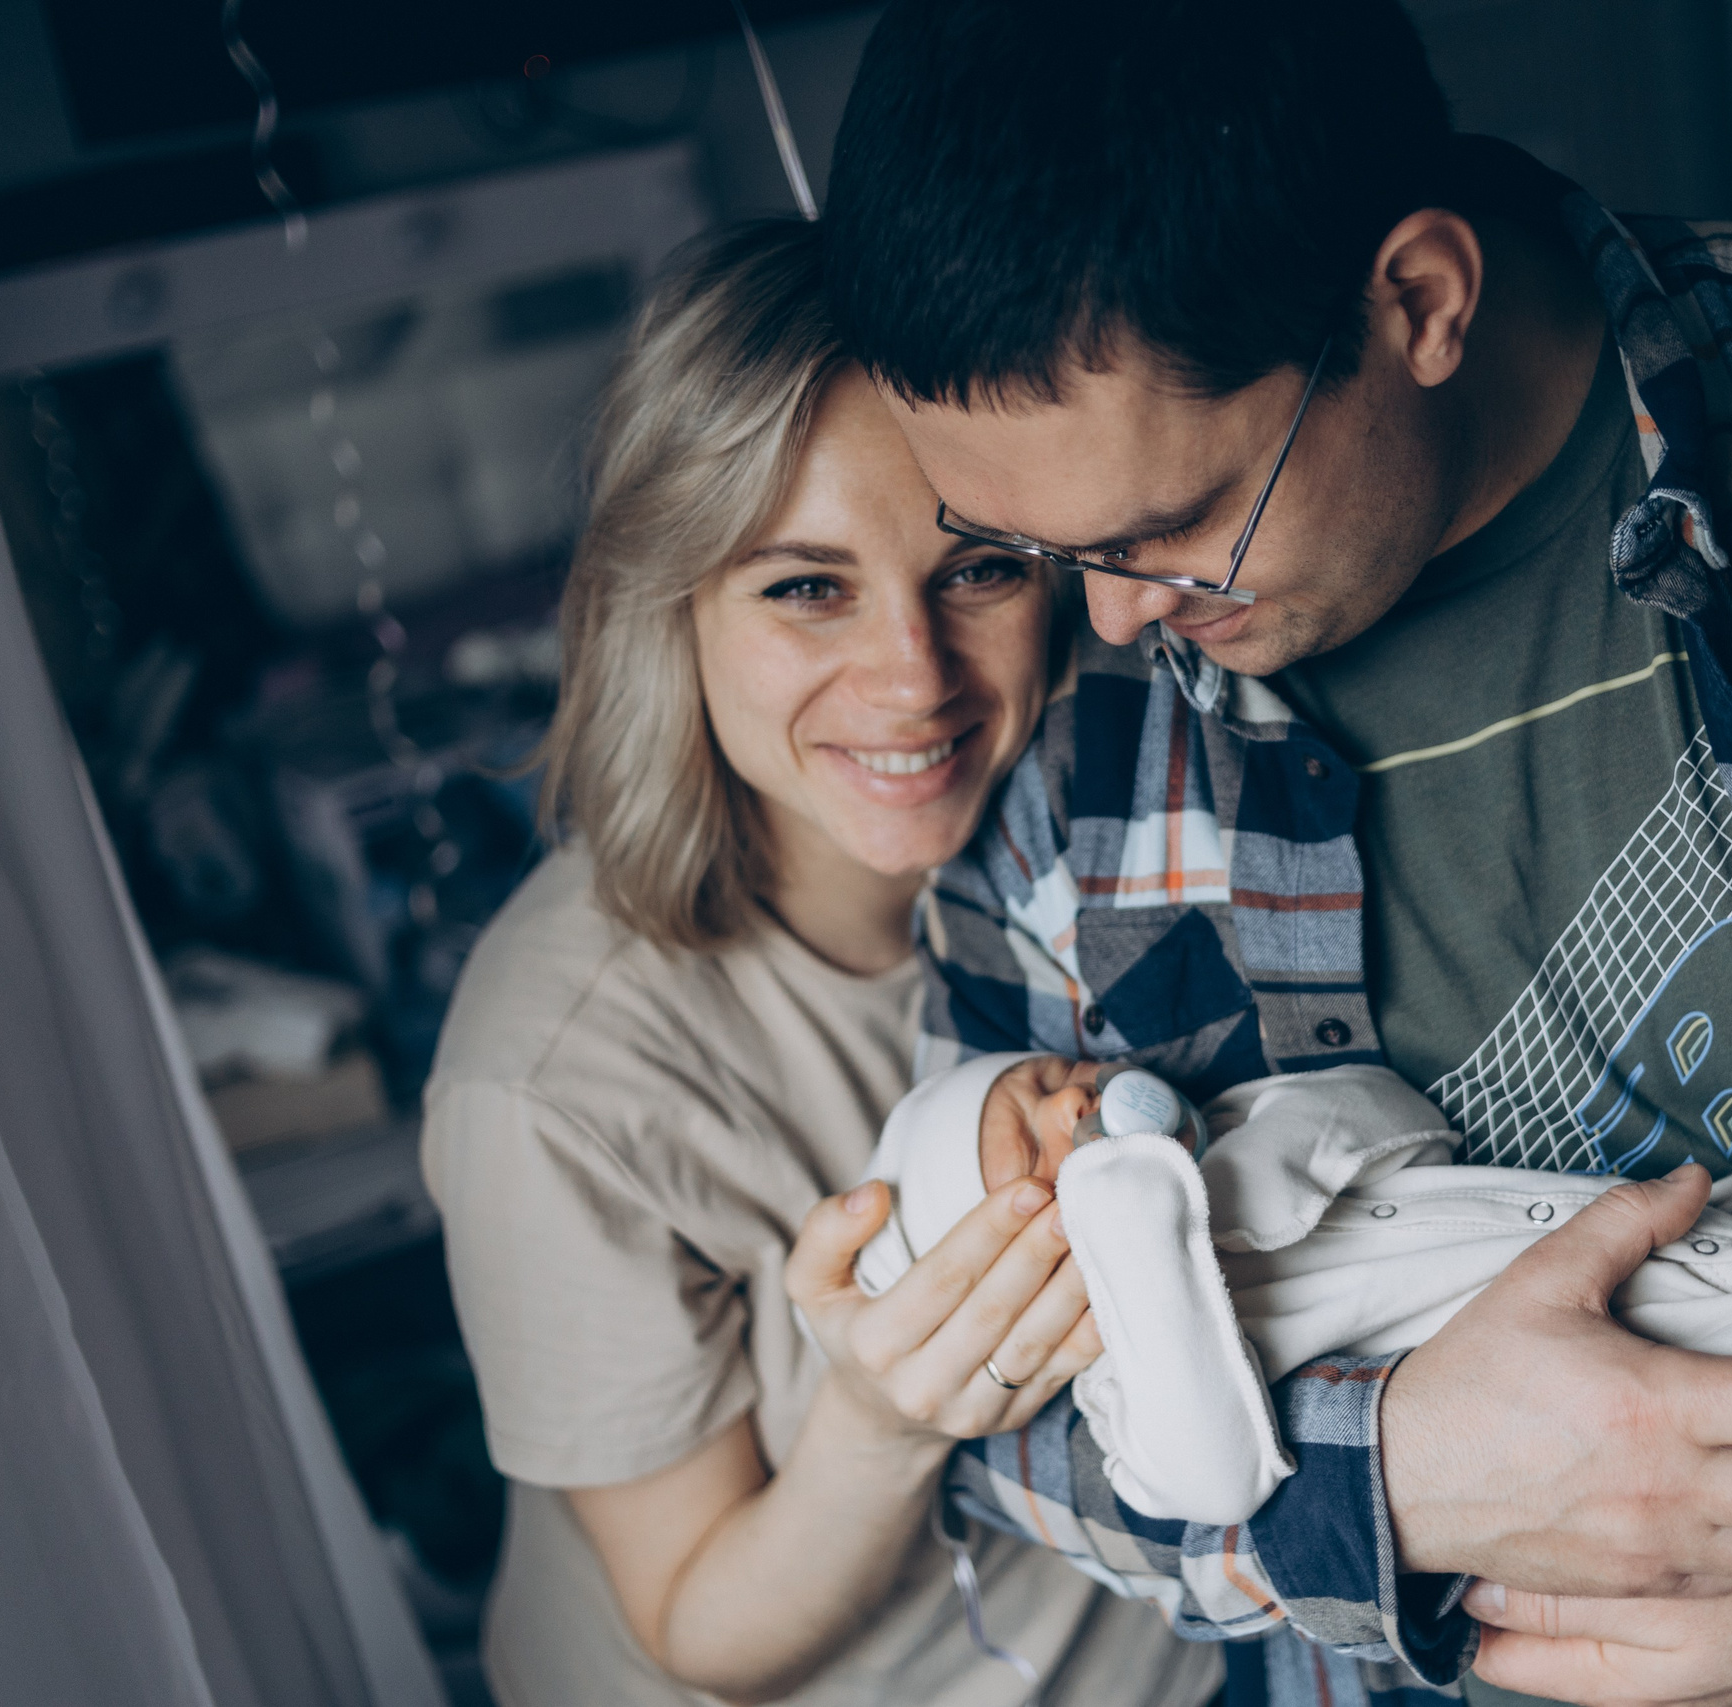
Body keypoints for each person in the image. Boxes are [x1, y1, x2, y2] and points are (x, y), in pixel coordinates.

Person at [816, 2, 1732, 1704]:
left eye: (1168, 529)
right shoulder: (1068, 733)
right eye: (1017, 541)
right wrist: (1395, 1482)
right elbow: (1006, 1428)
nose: (1112, 618)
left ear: (1419, 301)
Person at [418, 219, 1221, 1707]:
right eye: (807, 587)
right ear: (671, 603)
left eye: (976, 569)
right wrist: (883, 1420)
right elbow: (700, 1623)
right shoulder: (551, 1077)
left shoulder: (1153, 822)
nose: (913, 678)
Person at [857, 1053, 1732, 1537]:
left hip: (1698, 1222)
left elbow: (1396, 1119)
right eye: (1032, 1159)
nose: (1079, 1114)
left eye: (1060, 1079)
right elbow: (1215, 1480)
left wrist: (1207, 1151)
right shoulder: (1130, 1396)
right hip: (1637, 1337)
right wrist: (1129, 1217)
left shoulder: (1237, 1141)